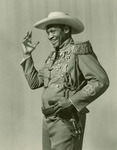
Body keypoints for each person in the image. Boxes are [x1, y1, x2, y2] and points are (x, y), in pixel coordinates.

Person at [20, 12, 109, 150]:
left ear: (66, 29)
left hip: (66, 120)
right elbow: (34, 82)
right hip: (47, 120)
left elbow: (101, 80)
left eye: (53, 31)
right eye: (47, 32)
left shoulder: (79, 51)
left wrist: (72, 102)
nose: (50, 36)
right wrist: (27, 55)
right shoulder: (52, 57)